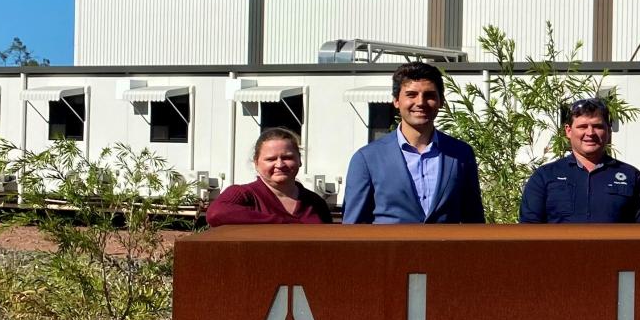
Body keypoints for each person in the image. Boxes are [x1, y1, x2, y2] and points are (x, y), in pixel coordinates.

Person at [342, 61, 486, 224]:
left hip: (445, 249)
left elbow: (474, 221)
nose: (421, 102)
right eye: (411, 95)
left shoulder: (460, 154)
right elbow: (353, 228)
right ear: (396, 101)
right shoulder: (367, 159)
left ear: (441, 101)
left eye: (429, 95)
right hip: (390, 250)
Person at [519, 96, 640, 224]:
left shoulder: (631, 176)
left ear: (608, 130)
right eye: (582, 126)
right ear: (568, 131)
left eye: (598, 126)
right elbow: (529, 230)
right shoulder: (545, 176)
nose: (590, 133)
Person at [206, 127, 334, 225]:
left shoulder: (316, 203)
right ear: (256, 163)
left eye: (287, 157)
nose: (280, 164)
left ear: (299, 160)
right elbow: (215, 213)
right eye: (271, 159)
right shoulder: (243, 194)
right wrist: (285, 223)